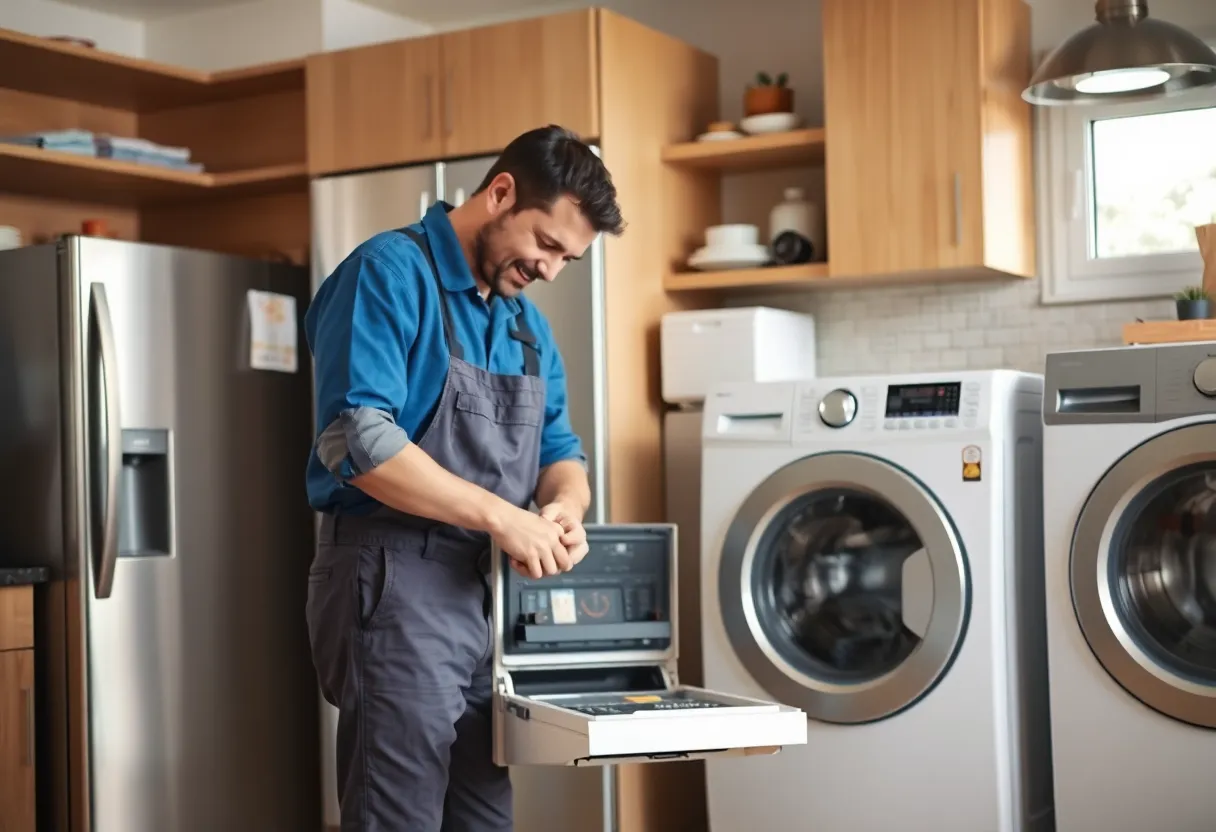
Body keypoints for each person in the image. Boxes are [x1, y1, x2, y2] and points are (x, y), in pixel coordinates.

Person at [303, 124, 626, 832]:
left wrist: (562, 506)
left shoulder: (525, 328)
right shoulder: (390, 272)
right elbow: (357, 438)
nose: (549, 270)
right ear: (501, 193)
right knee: (398, 816)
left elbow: (562, 452)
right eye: (545, 244)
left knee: (484, 816)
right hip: (392, 580)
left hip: (482, 597)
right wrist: (503, 517)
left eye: (567, 258)